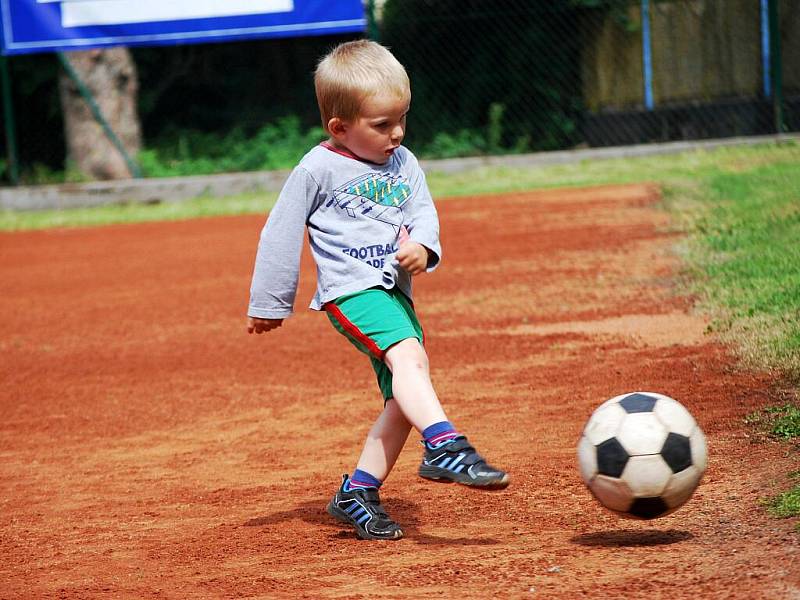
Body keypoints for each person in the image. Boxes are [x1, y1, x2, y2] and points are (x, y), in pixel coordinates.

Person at [247, 39, 509, 541]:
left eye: (402, 119)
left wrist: (425, 249)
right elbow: (280, 231)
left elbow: (422, 213)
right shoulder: (317, 169)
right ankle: (445, 445)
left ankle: (357, 491)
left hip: (395, 294)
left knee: (402, 398)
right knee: (410, 361)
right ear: (339, 128)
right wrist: (269, 303)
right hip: (352, 291)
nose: (398, 133)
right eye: (383, 125)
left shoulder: (404, 163)